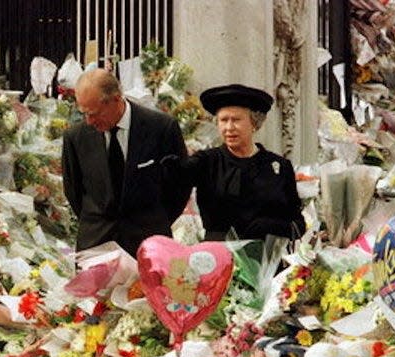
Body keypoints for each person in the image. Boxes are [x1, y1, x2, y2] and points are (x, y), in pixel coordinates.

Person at [61, 69, 189, 257]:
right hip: (96, 246)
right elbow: (74, 190)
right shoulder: (76, 137)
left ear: (116, 98)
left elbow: (179, 186)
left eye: (94, 113)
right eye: (84, 113)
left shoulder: (161, 128)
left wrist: (154, 221)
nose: (89, 121)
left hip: (149, 245)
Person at [166, 84, 304, 241]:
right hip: (219, 258)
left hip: (268, 259)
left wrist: (272, 226)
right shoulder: (206, 161)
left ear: (254, 123)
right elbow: (173, 178)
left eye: (236, 120)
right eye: (223, 120)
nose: (229, 127)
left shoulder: (280, 167)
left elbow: (298, 225)